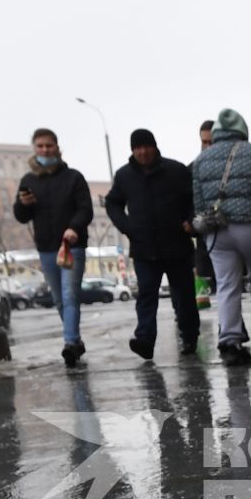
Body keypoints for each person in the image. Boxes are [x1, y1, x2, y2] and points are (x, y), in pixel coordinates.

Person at [188, 108, 251, 366]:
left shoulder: (200, 161)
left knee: (227, 285)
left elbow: (198, 203)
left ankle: (230, 341)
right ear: (243, 131)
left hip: (217, 231)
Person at [105, 128, 198, 360]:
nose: (142, 152)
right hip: (144, 248)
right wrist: (127, 227)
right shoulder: (124, 176)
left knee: (184, 295)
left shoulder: (175, 170)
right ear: (132, 150)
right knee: (146, 295)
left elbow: (193, 198)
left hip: (176, 245)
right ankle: (145, 339)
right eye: (137, 148)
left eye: (146, 147)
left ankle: (190, 336)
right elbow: (113, 203)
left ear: (155, 147)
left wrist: (189, 220)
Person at [13, 128, 96, 367]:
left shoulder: (73, 177)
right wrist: (23, 204)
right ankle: (76, 341)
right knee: (59, 300)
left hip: (71, 245)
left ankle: (70, 343)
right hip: (46, 248)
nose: (45, 150)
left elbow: (85, 209)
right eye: (40, 146)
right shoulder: (28, 181)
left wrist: (74, 228)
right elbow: (21, 216)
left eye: (49, 145)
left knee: (70, 296)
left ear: (57, 148)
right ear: (34, 148)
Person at [191, 120, 216, 296]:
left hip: (226, 231)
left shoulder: (233, 165)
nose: (207, 146)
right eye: (204, 142)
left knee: (229, 283)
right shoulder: (192, 168)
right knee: (205, 291)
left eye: (211, 141)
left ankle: (233, 322)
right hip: (203, 235)